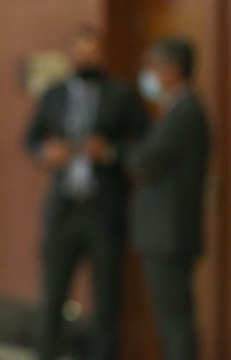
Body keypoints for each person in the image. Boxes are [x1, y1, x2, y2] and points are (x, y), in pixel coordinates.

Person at [24, 26, 148, 360]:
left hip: (103, 207)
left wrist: (108, 152)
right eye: (80, 53)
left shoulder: (121, 95)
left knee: (107, 299)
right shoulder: (55, 94)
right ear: (70, 57)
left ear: (102, 56)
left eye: (93, 53)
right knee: (53, 297)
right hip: (64, 206)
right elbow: (31, 139)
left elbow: (142, 145)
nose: (87, 59)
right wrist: (45, 153)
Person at [126, 36, 209, 360]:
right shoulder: (174, 109)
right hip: (163, 234)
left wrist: (128, 155)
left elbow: (144, 160)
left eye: (154, 66)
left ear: (172, 69)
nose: (149, 74)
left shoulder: (186, 112)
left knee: (175, 322)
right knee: (168, 319)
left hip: (170, 235)